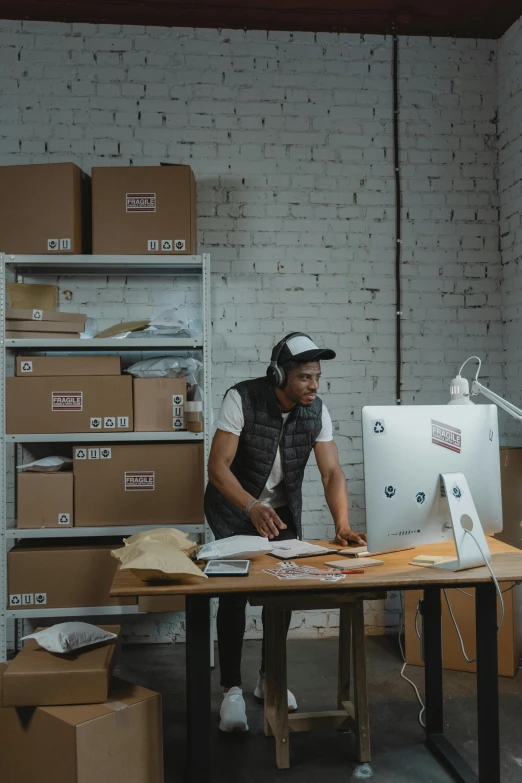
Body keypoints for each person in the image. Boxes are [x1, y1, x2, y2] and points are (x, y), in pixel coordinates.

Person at [205, 332, 366, 732]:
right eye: (305, 378)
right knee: (233, 598)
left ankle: (268, 678)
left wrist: (341, 524)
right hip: (233, 508)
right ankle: (230, 691)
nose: (314, 385)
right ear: (279, 374)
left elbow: (331, 472)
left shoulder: (317, 411)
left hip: (280, 512)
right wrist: (250, 506)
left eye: (317, 377)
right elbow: (217, 468)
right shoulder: (240, 399)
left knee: (284, 590)